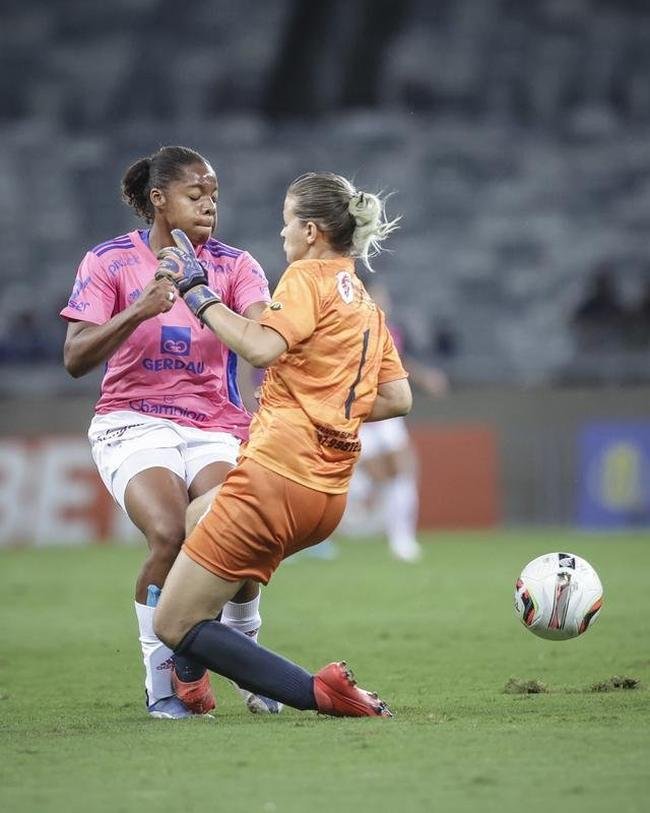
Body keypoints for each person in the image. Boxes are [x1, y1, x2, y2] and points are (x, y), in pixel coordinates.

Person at [151, 171, 412, 718]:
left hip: (276, 477)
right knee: (199, 515)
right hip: (325, 498)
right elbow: (397, 397)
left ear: (312, 230)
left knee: (172, 624)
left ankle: (322, 693)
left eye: (288, 222)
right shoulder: (364, 301)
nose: (282, 234)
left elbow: (262, 348)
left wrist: (197, 292)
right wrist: (327, 401)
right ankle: (199, 671)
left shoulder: (305, 277)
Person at [61, 145, 279, 719]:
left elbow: (263, 333)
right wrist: (139, 309)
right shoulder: (108, 262)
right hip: (132, 421)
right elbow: (76, 358)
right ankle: (163, 684)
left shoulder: (234, 266)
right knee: (168, 534)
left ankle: (250, 670)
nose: (209, 206)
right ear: (158, 200)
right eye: (195, 195)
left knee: (237, 534)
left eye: (214, 196)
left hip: (215, 423)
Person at [341, 282, 448, 563]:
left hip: (386, 413)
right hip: (361, 415)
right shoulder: (347, 332)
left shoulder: (391, 332)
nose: (383, 301)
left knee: (404, 469)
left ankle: (402, 538)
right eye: (377, 296)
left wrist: (425, 378)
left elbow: (399, 364)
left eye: (384, 296)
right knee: (381, 475)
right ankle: (359, 493)